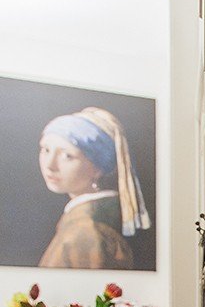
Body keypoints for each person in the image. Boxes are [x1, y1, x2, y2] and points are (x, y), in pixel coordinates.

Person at [37, 107, 150, 269]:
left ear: (97, 168)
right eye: (46, 150)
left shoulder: (86, 232)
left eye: (67, 156)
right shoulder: (84, 222)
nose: (50, 165)